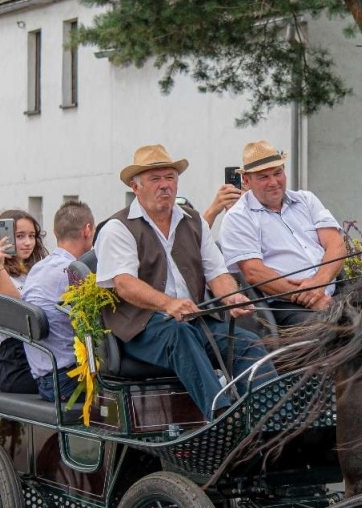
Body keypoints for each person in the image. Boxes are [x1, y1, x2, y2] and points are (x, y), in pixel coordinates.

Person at [95, 144, 273, 418]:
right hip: (142, 329)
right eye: (155, 179)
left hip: (195, 322)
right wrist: (169, 304)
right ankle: (222, 416)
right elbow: (124, 284)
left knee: (247, 341)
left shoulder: (193, 222)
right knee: (180, 334)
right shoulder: (117, 228)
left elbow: (217, 272)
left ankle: (269, 416)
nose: (165, 185)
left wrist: (231, 298)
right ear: (135, 186)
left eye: (170, 178)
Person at [217, 139, 344, 327]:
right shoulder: (238, 217)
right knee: (335, 332)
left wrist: (319, 283)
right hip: (287, 305)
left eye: (278, 173)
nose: (273, 182)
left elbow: (336, 244)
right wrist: (310, 298)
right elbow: (254, 272)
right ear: (246, 180)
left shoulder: (306, 200)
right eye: (263, 177)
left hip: (333, 290)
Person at [21, 202, 97, 402]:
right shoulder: (75, 272)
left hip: (44, 377)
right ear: (87, 230)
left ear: (55, 233)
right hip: (67, 381)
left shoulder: (38, 269)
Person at [0, 209, 48, 393]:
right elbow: (18, 311)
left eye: (32, 236)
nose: (28, 243)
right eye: (20, 236)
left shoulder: (38, 269)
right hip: (14, 359)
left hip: (40, 350)